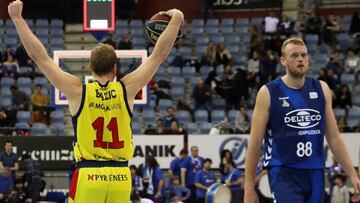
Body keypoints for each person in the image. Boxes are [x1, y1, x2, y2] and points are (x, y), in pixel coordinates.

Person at [8, 1, 184, 202]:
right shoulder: (126, 89)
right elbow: (159, 54)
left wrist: (18, 19)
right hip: (121, 176)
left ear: (90, 67)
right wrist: (177, 16)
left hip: (90, 175)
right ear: (115, 69)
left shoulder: (78, 91)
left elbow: (40, 57)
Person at [244, 38, 360, 203]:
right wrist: (249, 187)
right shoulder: (268, 92)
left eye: (304, 55)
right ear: (283, 61)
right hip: (283, 171)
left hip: (315, 171)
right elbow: (255, 144)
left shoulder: (322, 89)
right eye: (294, 55)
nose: (300, 59)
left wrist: (353, 174)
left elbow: (334, 138)